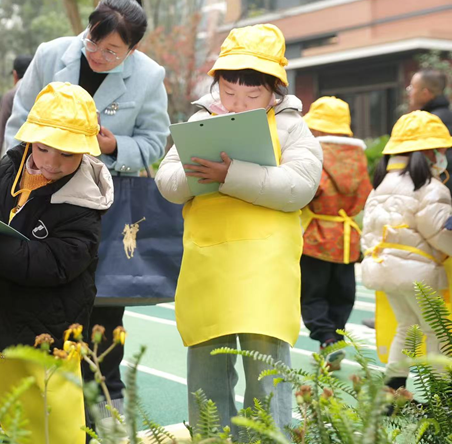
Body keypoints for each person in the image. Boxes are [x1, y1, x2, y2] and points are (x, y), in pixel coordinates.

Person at [3, 0, 169, 416]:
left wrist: (115, 146)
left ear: (132, 50)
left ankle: (105, 392)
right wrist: (13, 183)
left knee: (104, 298)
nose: (98, 55)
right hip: (42, 191)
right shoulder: (51, 54)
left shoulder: (149, 76)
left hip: (102, 202)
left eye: (112, 51)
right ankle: (44, 388)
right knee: (42, 290)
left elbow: (154, 142)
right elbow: (19, 122)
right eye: (94, 41)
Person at [155, 24, 322, 436]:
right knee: (206, 369)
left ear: (275, 90)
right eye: (229, 92)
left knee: (266, 371)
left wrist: (231, 175)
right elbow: (167, 182)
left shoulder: (292, 126)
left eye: (252, 96)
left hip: (265, 264)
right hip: (208, 261)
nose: (237, 103)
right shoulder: (199, 119)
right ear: (218, 83)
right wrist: (200, 172)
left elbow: (300, 187)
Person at [0, 82, 114, 443]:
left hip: (54, 330)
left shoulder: (84, 203)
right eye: (43, 148)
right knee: (13, 414)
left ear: (85, 151)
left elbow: (54, 264)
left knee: (56, 419)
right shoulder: (13, 163)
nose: (50, 162)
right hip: (5, 318)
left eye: (66, 154)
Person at [361, 110, 452, 392]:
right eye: (439, 149)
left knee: (406, 326)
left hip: (382, 268)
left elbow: (367, 232)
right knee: (437, 330)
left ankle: (391, 390)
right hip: (418, 273)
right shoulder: (429, 187)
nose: (443, 154)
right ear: (426, 152)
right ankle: (441, 396)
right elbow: (440, 232)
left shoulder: (379, 187)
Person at [300, 96, 372, 370]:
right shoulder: (358, 158)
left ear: (318, 127)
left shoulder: (314, 153)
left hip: (316, 237)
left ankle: (327, 339)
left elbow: (306, 192)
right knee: (342, 295)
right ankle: (333, 344)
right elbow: (364, 195)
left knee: (312, 294)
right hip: (346, 238)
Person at [407, 69, 452, 194]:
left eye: (412, 87)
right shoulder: (446, 116)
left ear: (425, 93)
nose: (409, 92)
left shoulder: (429, 123)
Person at [0, 54, 33, 158]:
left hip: (13, 155)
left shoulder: (10, 96)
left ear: (15, 74)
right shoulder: (43, 93)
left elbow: (1, 130)